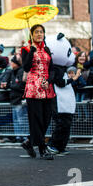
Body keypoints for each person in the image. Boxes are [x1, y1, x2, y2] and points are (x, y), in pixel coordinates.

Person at [21, 24, 56, 160]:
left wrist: (49, 80)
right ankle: (42, 148)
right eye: (36, 32)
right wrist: (31, 51)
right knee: (36, 119)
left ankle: (29, 142)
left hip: (47, 88)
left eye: (41, 32)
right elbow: (26, 66)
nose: (39, 34)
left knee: (47, 118)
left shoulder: (47, 49)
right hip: (33, 88)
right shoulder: (26, 49)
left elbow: (52, 68)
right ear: (32, 34)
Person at [6, 55, 28, 143]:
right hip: (14, 99)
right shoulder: (12, 71)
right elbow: (11, 83)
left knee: (21, 120)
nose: (11, 63)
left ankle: (24, 137)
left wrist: (10, 85)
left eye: (13, 62)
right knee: (15, 120)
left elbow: (19, 85)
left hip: (19, 99)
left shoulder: (21, 71)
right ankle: (18, 136)